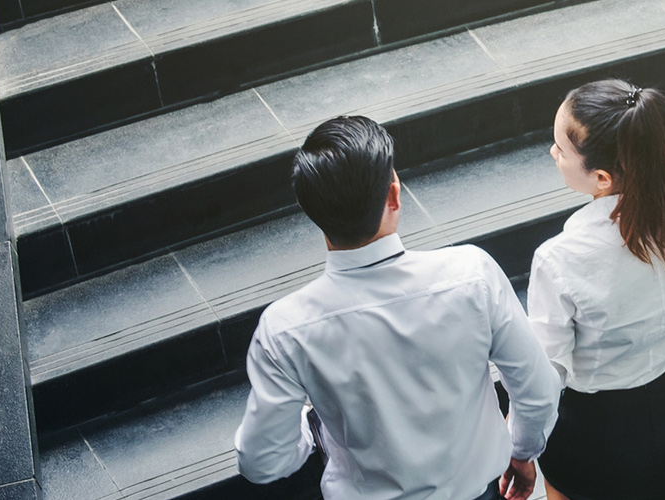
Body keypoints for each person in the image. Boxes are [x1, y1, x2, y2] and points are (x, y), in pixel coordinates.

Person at [234, 116, 561, 500]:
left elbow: (262, 462)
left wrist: (309, 432)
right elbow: (537, 390)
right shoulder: (472, 274)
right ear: (394, 195)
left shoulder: (285, 329)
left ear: (309, 209)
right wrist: (521, 451)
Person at [527, 80, 665, 500]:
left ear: (600, 177)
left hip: (594, 429)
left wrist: (522, 449)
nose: (552, 153)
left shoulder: (560, 260)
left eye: (560, 149)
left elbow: (549, 373)